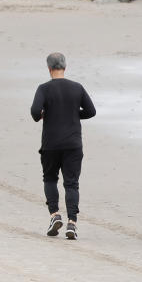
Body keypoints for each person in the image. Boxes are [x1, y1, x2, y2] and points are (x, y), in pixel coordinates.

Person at [30, 52, 96, 240]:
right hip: (73, 144)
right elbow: (91, 111)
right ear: (65, 68)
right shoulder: (77, 87)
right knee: (71, 183)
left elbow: (35, 112)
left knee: (50, 179)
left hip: (51, 143)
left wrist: (45, 114)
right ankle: (72, 223)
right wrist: (73, 114)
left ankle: (54, 215)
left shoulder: (43, 89)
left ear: (49, 69)